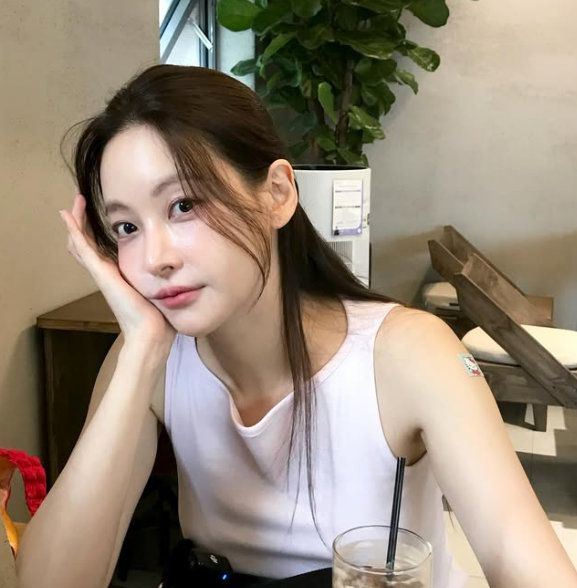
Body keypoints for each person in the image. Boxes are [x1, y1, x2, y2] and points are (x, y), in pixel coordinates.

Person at [16, 65, 577, 588]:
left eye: (184, 204)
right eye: (126, 227)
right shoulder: (148, 360)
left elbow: (520, 556)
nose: (155, 258)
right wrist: (140, 353)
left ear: (277, 194)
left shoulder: (406, 353)